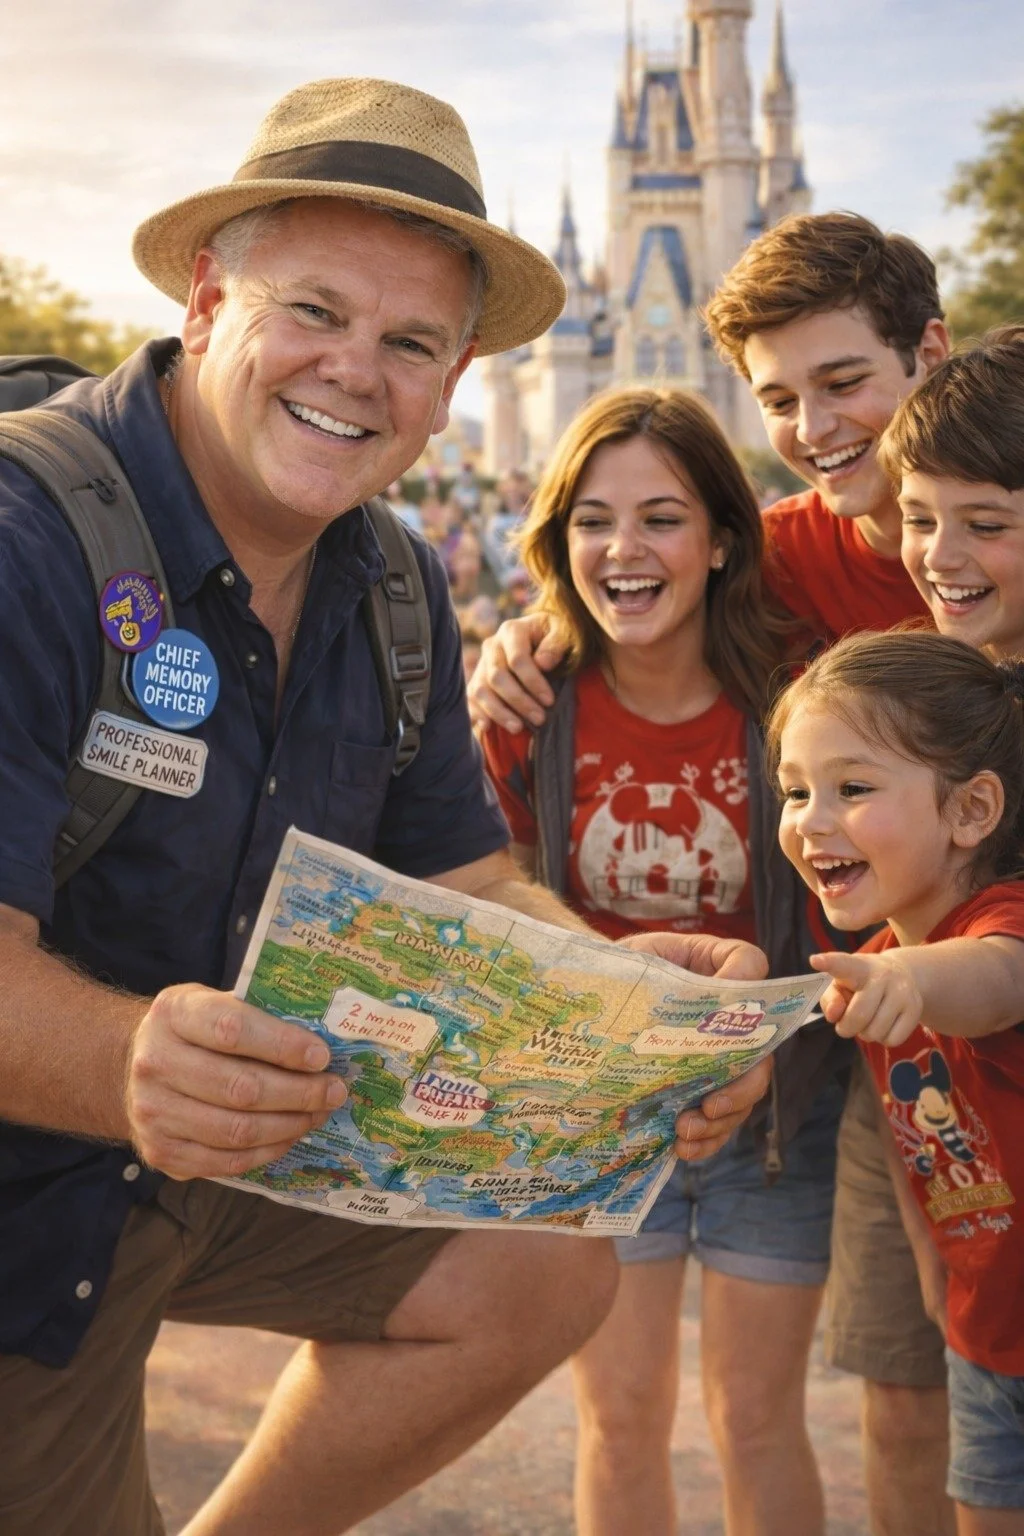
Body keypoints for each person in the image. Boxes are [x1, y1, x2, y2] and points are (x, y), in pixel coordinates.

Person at [0, 77, 772, 1536]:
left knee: (540, 1264)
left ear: (455, 378)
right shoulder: (25, 543)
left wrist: (618, 998)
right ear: (212, 296)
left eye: (409, 341)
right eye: (317, 312)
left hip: (211, 1147)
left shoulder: (395, 582)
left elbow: (466, 879)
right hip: (30, 1195)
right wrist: (126, 1062)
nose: (357, 370)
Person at [468, 211, 958, 1535]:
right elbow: (489, 880)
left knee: (825, 1415)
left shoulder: (789, 672)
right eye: (782, 398)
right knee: (653, 1421)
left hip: (805, 1095)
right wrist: (524, 640)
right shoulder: (558, 698)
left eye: (842, 383)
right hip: (679, 1091)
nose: (815, 422)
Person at [480, 385, 850, 1536]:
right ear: (557, 541)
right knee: (622, 1416)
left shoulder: (799, 694)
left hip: (773, 1112)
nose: (623, 550)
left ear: (721, 539)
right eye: (593, 519)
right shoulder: (526, 704)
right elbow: (487, 893)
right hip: (608, 1104)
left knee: (754, 1417)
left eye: (661, 517)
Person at [767, 628, 1024, 1534]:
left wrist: (913, 984)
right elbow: (910, 1132)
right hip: (988, 1342)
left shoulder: (996, 929)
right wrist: (930, 1265)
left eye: (853, 788)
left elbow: (994, 982)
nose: (810, 819)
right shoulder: (877, 962)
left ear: (972, 809)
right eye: (795, 791)